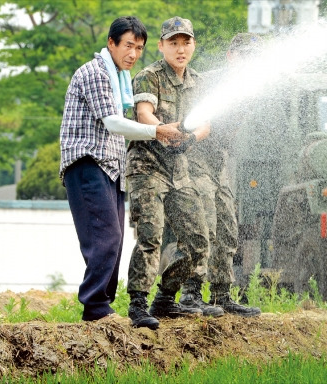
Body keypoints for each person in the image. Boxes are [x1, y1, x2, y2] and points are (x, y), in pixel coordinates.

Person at [59, 16, 183, 322]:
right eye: (128, 45)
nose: (133, 53)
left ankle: (102, 306)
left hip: (110, 169)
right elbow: (113, 123)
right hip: (87, 164)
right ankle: (95, 307)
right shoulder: (96, 73)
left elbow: (120, 127)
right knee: (107, 236)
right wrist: (157, 131)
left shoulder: (119, 78)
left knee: (113, 238)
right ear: (111, 43)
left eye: (139, 48)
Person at [125, 16, 220, 330]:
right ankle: (138, 305)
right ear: (161, 45)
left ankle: (165, 299)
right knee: (150, 237)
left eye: (186, 42)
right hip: (147, 167)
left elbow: (205, 124)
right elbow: (143, 113)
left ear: (193, 44)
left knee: (198, 240)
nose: (181, 49)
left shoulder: (199, 82)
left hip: (179, 171)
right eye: (174, 43)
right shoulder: (148, 76)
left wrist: (191, 137)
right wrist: (162, 130)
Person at [174, 33, 265, 317]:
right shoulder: (208, 82)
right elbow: (187, 120)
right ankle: (190, 293)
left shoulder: (252, 88)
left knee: (228, 226)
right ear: (230, 56)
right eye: (244, 55)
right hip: (196, 157)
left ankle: (221, 295)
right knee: (205, 225)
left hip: (219, 161)